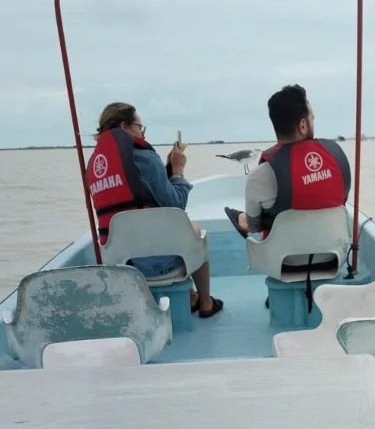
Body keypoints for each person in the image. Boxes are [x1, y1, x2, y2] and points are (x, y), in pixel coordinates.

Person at [87, 103, 223, 318]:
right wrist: (178, 170)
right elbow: (176, 205)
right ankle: (205, 302)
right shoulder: (145, 158)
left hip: (118, 264)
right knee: (194, 231)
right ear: (125, 126)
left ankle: (190, 297)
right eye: (140, 127)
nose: (142, 133)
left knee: (167, 233)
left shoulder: (95, 165)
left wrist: (164, 171)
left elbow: (140, 199)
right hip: (153, 263)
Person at [224, 84, 351, 238]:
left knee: (250, 222)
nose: (314, 123)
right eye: (312, 119)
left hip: (284, 261)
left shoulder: (260, 175)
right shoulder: (337, 156)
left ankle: (241, 218)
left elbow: (255, 227)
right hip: (333, 256)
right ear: (303, 126)